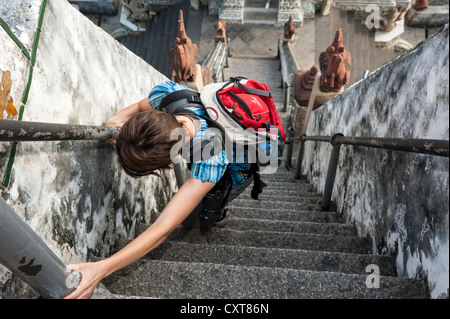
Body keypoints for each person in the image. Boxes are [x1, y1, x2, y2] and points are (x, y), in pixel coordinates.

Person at [64, 81, 254, 299]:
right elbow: (136, 108)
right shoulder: (169, 95)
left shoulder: (212, 159)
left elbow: (163, 228)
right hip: (205, 137)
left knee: (214, 199)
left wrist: (101, 269)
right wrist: (114, 123)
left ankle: (219, 212)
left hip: (242, 160)